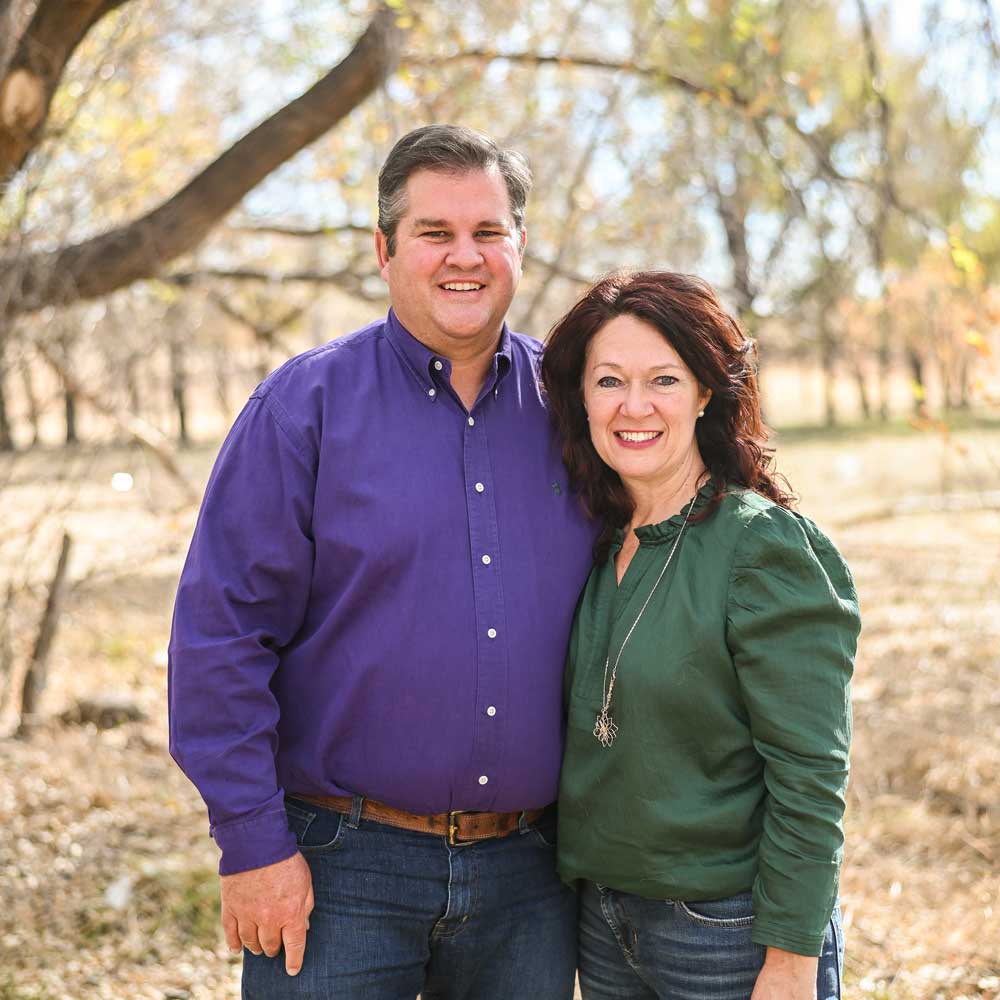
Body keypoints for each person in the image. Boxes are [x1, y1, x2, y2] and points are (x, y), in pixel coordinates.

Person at [168, 124, 595, 999]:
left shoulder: (578, 410)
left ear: (521, 244)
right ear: (384, 249)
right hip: (340, 868)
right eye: (435, 233)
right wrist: (252, 845)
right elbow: (220, 638)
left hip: (531, 879)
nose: (463, 257)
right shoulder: (304, 409)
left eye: (488, 233)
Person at [541, 270, 860, 1000]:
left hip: (727, 929)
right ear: (581, 398)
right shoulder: (591, 538)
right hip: (603, 918)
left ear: (706, 392)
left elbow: (812, 778)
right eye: (609, 380)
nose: (634, 405)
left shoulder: (761, 549)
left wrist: (790, 960)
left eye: (663, 379)